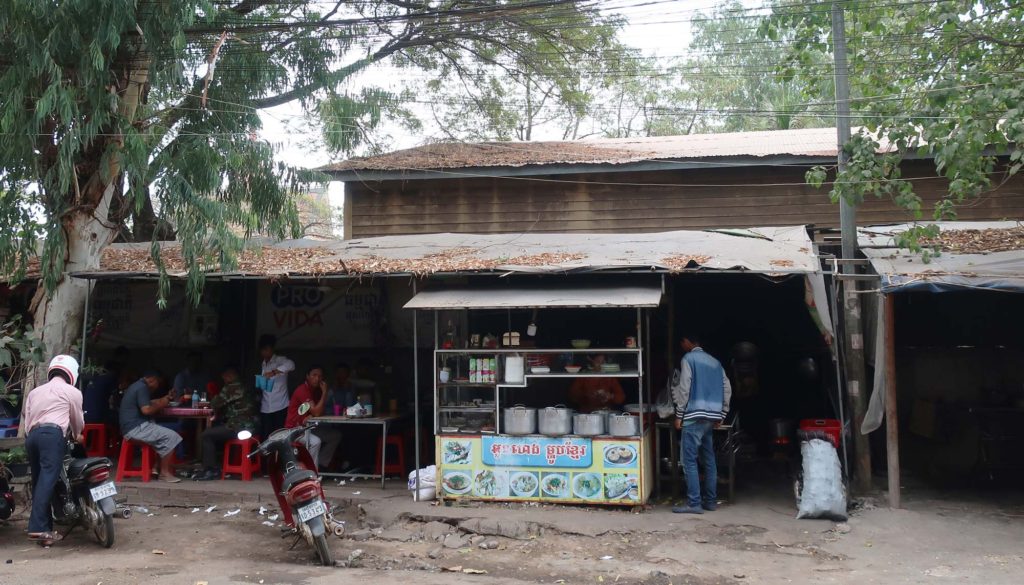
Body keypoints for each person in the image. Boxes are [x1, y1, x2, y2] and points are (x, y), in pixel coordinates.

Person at [23, 355, 85, 546]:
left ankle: (45, 532)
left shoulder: (35, 392)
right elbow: (77, 420)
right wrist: (76, 434)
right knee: (48, 480)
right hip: (52, 435)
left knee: (40, 481)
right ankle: (36, 528)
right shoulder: (72, 392)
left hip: (32, 437)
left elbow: (27, 419)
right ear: (72, 373)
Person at [671, 332, 732, 514]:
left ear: (689, 341)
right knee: (709, 459)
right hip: (711, 418)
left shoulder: (688, 358)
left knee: (689, 460)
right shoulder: (715, 362)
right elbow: (727, 388)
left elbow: (684, 387)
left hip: (693, 417)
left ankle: (694, 503)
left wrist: (679, 415)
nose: (682, 345)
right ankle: (711, 501)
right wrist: (722, 413)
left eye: (682, 341)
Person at [195, 367, 258, 481]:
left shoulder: (231, 387)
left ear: (229, 375)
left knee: (206, 434)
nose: (223, 379)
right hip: (250, 426)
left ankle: (211, 470)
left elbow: (216, 403)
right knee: (216, 431)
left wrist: (213, 394)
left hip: (239, 427)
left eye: (224, 376)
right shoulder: (245, 385)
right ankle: (224, 466)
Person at [119, 370, 182, 482]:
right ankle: (164, 474)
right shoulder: (142, 388)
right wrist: (162, 404)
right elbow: (147, 410)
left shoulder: (136, 386)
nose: (158, 386)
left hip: (130, 428)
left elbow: (149, 402)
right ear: (152, 380)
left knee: (162, 432)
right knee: (172, 436)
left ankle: (155, 469)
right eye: (158, 383)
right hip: (136, 429)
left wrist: (167, 398)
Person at [285, 365, 341, 469]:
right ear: (307, 376)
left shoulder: (316, 390)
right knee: (315, 442)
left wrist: (313, 412)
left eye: (320, 376)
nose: (317, 378)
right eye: (314, 375)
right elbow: (317, 413)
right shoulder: (302, 389)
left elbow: (318, 411)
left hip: (308, 427)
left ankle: (322, 464)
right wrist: (325, 392)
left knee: (335, 435)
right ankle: (310, 472)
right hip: (295, 429)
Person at [257, 334, 294, 439]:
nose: (265, 352)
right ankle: (267, 456)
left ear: (272, 349)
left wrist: (273, 372)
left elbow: (291, 365)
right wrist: (261, 383)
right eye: (263, 350)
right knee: (265, 438)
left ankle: (278, 456)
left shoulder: (280, 360)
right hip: (265, 407)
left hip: (280, 406)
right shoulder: (263, 364)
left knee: (280, 437)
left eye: (267, 349)